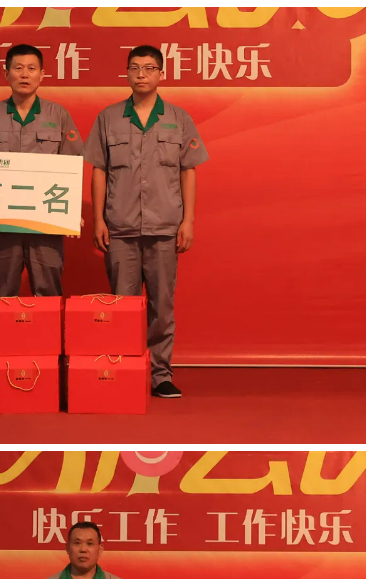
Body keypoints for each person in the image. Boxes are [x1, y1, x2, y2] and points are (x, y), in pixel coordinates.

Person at [84, 45, 209, 399]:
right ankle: (121, 370)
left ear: (161, 74)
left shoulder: (179, 118)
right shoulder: (108, 118)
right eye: (135, 68)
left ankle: (159, 375)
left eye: (150, 68)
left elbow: (188, 170)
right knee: (121, 307)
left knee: (161, 305)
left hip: (164, 227)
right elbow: (98, 170)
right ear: (126, 73)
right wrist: (97, 219)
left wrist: (188, 221)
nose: (142, 74)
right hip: (120, 227)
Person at [0, 43, 84, 397]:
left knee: (49, 297)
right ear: (6, 74)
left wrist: (71, 212)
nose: (25, 74)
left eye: (32, 68)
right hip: (4, 227)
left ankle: (57, 375)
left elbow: (72, 166)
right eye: (18, 68)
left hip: (46, 226)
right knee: (3, 299)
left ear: (42, 75)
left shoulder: (59, 115)